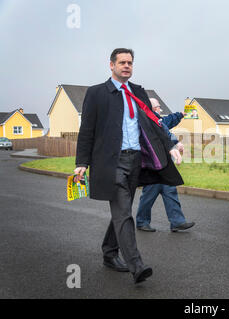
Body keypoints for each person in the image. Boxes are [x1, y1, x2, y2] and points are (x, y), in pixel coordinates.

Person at [74, 48, 183, 284]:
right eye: (122, 62)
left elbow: (155, 124)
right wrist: (82, 162)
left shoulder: (138, 92)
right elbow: (87, 130)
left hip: (136, 161)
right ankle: (137, 265)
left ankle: (109, 253)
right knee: (124, 212)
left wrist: (171, 145)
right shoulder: (96, 93)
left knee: (122, 211)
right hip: (111, 162)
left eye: (130, 62)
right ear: (111, 65)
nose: (127, 66)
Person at [136, 98, 195, 232]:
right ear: (152, 108)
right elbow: (162, 134)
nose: (160, 109)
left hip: (164, 163)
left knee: (170, 190)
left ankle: (177, 222)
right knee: (149, 194)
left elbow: (167, 126)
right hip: (153, 164)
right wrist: (175, 142)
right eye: (158, 107)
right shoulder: (147, 121)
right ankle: (142, 221)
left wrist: (181, 114)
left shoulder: (158, 120)